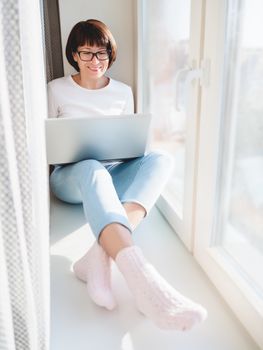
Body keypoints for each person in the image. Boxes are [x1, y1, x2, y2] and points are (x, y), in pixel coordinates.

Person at [48, 19, 207, 331]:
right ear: (74, 55)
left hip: (112, 174)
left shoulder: (122, 92)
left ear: (111, 54)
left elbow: (130, 143)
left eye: (102, 53)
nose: (96, 61)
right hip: (70, 179)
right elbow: (47, 143)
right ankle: (140, 277)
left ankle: (100, 252)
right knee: (92, 167)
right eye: (87, 53)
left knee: (160, 158)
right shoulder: (56, 89)